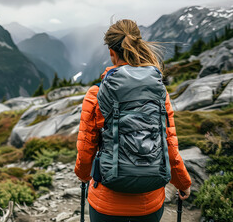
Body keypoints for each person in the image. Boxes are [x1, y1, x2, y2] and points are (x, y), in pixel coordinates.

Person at [74, 19, 192, 222]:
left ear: (112, 53)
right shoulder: (159, 92)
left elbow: (86, 149)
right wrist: (183, 182)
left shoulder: (96, 94)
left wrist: (84, 175)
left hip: (106, 203)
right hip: (149, 203)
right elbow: (169, 145)